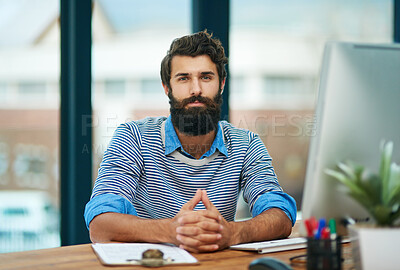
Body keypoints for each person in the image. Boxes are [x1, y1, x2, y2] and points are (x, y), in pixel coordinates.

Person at [84, 30, 297, 253]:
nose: (196, 89)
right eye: (184, 78)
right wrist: (172, 230)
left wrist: (233, 233)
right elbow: (100, 223)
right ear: (167, 87)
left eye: (206, 77)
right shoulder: (133, 137)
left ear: (221, 84)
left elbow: (280, 215)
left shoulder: (246, 144)